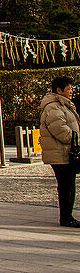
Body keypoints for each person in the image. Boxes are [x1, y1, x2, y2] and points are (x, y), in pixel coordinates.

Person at [40, 75, 80, 228]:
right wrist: (76, 139)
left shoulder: (63, 104)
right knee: (66, 185)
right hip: (60, 153)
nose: (71, 91)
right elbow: (61, 131)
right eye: (69, 89)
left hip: (65, 152)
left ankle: (67, 216)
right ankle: (66, 218)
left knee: (68, 185)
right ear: (59, 90)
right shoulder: (53, 106)